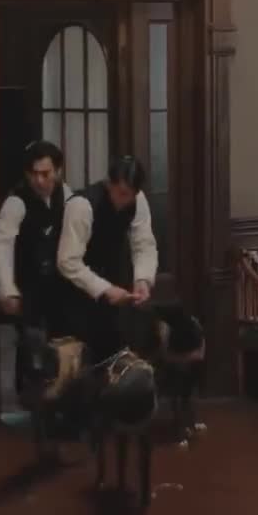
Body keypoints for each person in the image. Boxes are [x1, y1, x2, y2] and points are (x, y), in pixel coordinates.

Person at [0, 140, 74, 390]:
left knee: (62, 343)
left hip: (60, 282)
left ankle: (60, 394)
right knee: (32, 345)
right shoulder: (16, 201)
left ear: (58, 171)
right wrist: (6, 287)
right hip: (29, 283)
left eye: (45, 174)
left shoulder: (66, 194)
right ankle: (30, 396)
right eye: (33, 174)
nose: (39, 180)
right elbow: (1, 244)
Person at [56, 155, 159, 362]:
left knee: (115, 354)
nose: (126, 200)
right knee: (81, 360)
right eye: (121, 193)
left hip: (114, 281)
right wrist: (104, 289)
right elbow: (67, 261)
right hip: (78, 289)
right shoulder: (82, 205)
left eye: (131, 195)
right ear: (109, 183)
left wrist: (143, 280)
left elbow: (143, 244)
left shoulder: (137, 199)